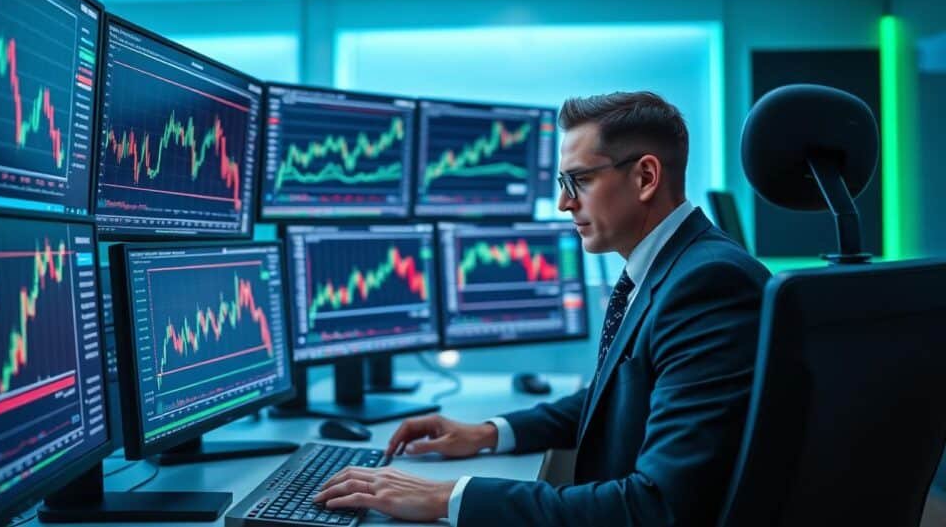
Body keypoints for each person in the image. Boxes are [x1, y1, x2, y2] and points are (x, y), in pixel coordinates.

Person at [314, 91, 771, 526]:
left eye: (580, 180)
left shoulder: (707, 285)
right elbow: (617, 394)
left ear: (646, 178)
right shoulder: (674, 268)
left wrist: (446, 497)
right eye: (562, 183)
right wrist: (488, 433)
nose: (563, 203)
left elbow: (657, 508)